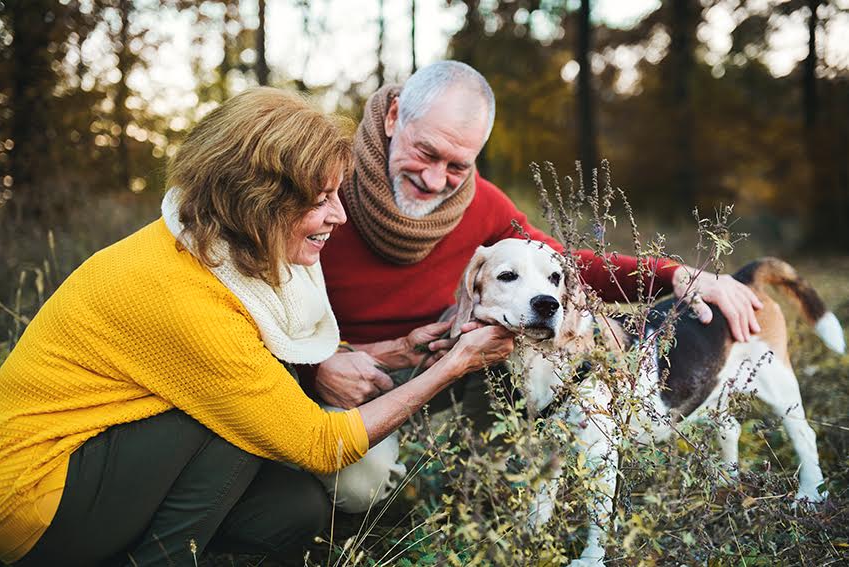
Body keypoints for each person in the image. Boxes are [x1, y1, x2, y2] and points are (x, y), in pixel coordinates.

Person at [0, 87, 514, 566]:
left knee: (295, 510)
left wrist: (396, 350)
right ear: (256, 199)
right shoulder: (182, 292)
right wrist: (455, 365)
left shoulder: (223, 247)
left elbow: (273, 350)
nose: (339, 214)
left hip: (111, 455)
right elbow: (319, 441)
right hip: (36, 498)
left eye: (338, 193)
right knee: (239, 425)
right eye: (319, 200)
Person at [315, 60, 764, 410]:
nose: (435, 181)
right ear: (394, 117)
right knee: (356, 489)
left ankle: (488, 483)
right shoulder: (322, 191)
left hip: (444, 364)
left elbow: (561, 265)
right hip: (343, 368)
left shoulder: (483, 205)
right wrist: (318, 365)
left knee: (515, 335)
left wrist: (673, 274)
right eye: (425, 153)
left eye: (457, 166)